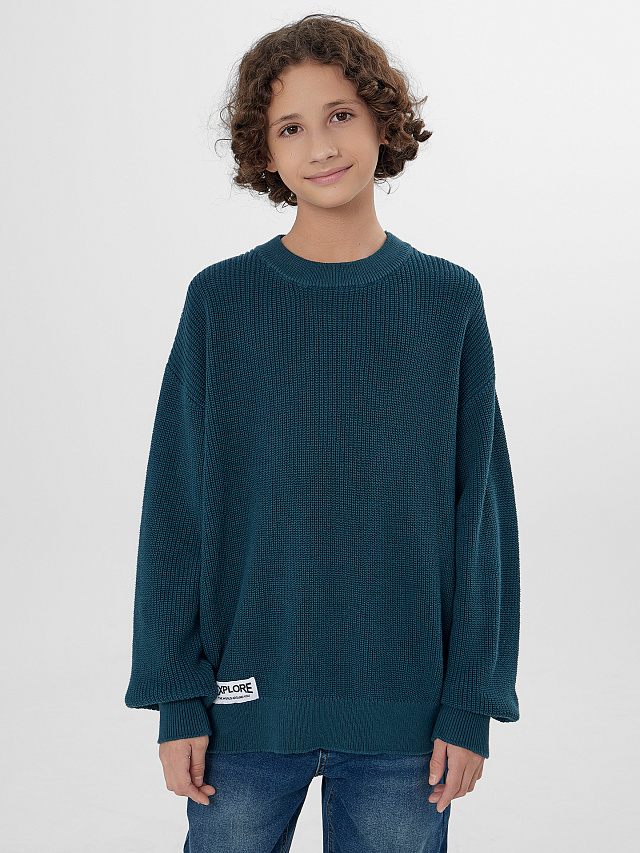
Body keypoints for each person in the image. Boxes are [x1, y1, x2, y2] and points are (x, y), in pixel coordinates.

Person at [124, 13, 520, 853]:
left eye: (340, 114)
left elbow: (480, 520)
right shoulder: (220, 303)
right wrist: (176, 694)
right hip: (242, 712)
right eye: (291, 127)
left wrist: (470, 701)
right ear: (264, 153)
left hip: (407, 719)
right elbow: (175, 510)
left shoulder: (447, 301)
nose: (322, 145)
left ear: (382, 121)